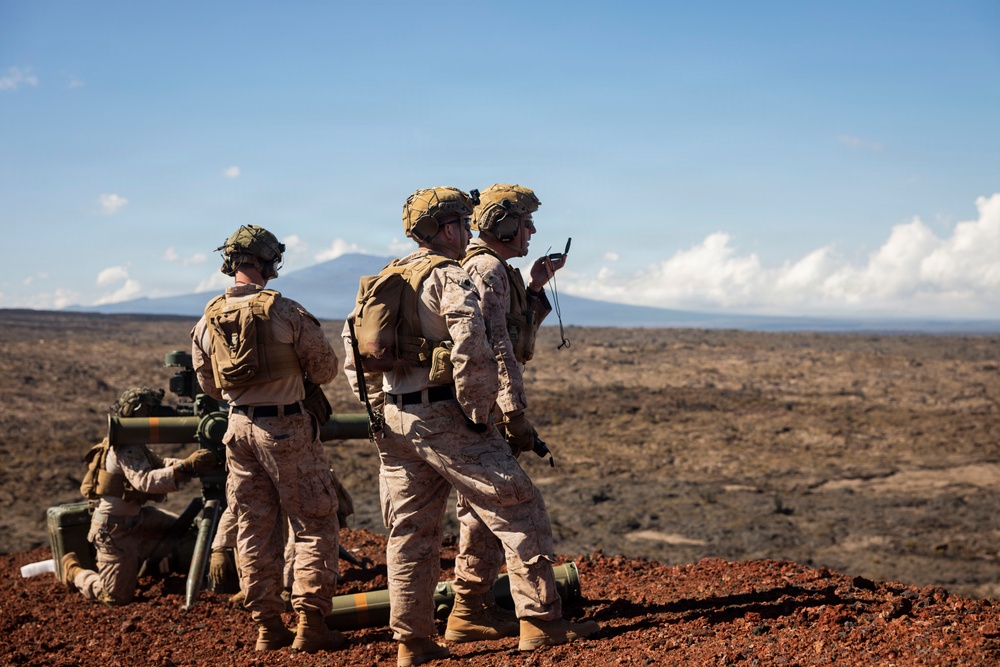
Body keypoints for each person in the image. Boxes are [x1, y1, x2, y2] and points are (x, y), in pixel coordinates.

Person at [344, 187, 598, 667]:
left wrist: (380, 413)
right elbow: (478, 349)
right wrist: (482, 417)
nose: (469, 229)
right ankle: (543, 623)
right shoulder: (450, 277)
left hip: (397, 418)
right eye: (463, 222)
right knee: (520, 508)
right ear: (446, 229)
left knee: (410, 534)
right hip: (446, 417)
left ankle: (413, 642)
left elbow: (355, 354)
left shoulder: (386, 276)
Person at [189, 224, 344, 653]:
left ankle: (267, 627)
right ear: (267, 262)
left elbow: (210, 387)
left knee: (254, 528)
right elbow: (327, 369)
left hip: (237, 429)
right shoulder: (286, 311)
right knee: (313, 521)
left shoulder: (207, 319)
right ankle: (311, 624)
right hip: (286, 428)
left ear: (232, 262)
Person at [445, 183, 566, 643]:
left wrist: (535, 286)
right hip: (483, 406)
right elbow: (497, 349)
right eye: (526, 222)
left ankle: (467, 611)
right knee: (515, 506)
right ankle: (537, 621)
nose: (533, 231)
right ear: (504, 224)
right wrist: (513, 414)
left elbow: (518, 341)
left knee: (480, 512)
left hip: (478, 405)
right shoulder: (486, 269)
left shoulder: (499, 271)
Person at [61, 387, 217, 606]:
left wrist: (189, 464)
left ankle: (143, 566)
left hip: (139, 519)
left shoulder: (134, 443)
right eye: (151, 410)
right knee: (115, 597)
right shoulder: (125, 447)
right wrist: (184, 466)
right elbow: (145, 481)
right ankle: (75, 573)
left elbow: (160, 464)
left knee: (185, 532)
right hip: (114, 530)